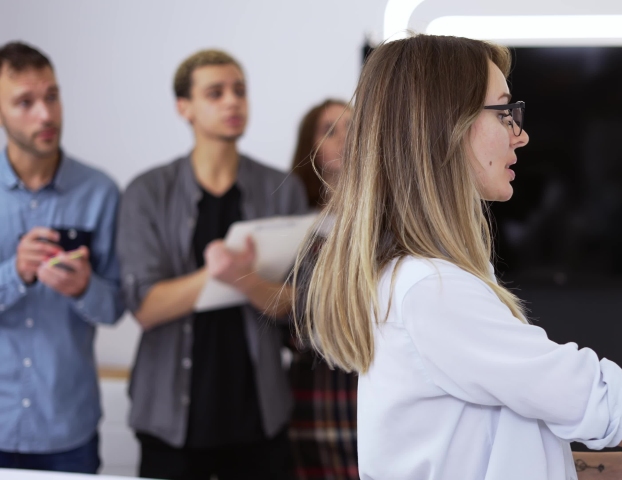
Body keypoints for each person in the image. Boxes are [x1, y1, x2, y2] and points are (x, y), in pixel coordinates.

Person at [293, 34, 622, 480]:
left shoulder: (421, 277)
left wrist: (609, 469)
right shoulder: (435, 293)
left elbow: (476, 446)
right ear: (446, 125)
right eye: (503, 113)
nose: (520, 134)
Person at [117, 49, 308, 480]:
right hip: (171, 421)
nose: (232, 102)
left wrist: (242, 278)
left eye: (239, 90)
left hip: (260, 417)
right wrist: (212, 276)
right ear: (183, 107)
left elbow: (294, 304)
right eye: (215, 93)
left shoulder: (282, 188)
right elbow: (145, 307)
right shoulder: (147, 192)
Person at [0, 41, 124, 473]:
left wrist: (85, 288)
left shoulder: (101, 192)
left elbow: (115, 307)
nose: (46, 115)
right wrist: (15, 273)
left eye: (51, 96)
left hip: (68, 428)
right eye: (25, 102)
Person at [288, 99, 358, 479]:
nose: (345, 139)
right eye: (330, 130)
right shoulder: (292, 222)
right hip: (314, 388)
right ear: (309, 147)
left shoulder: (386, 218)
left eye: (352, 127)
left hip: (368, 382)